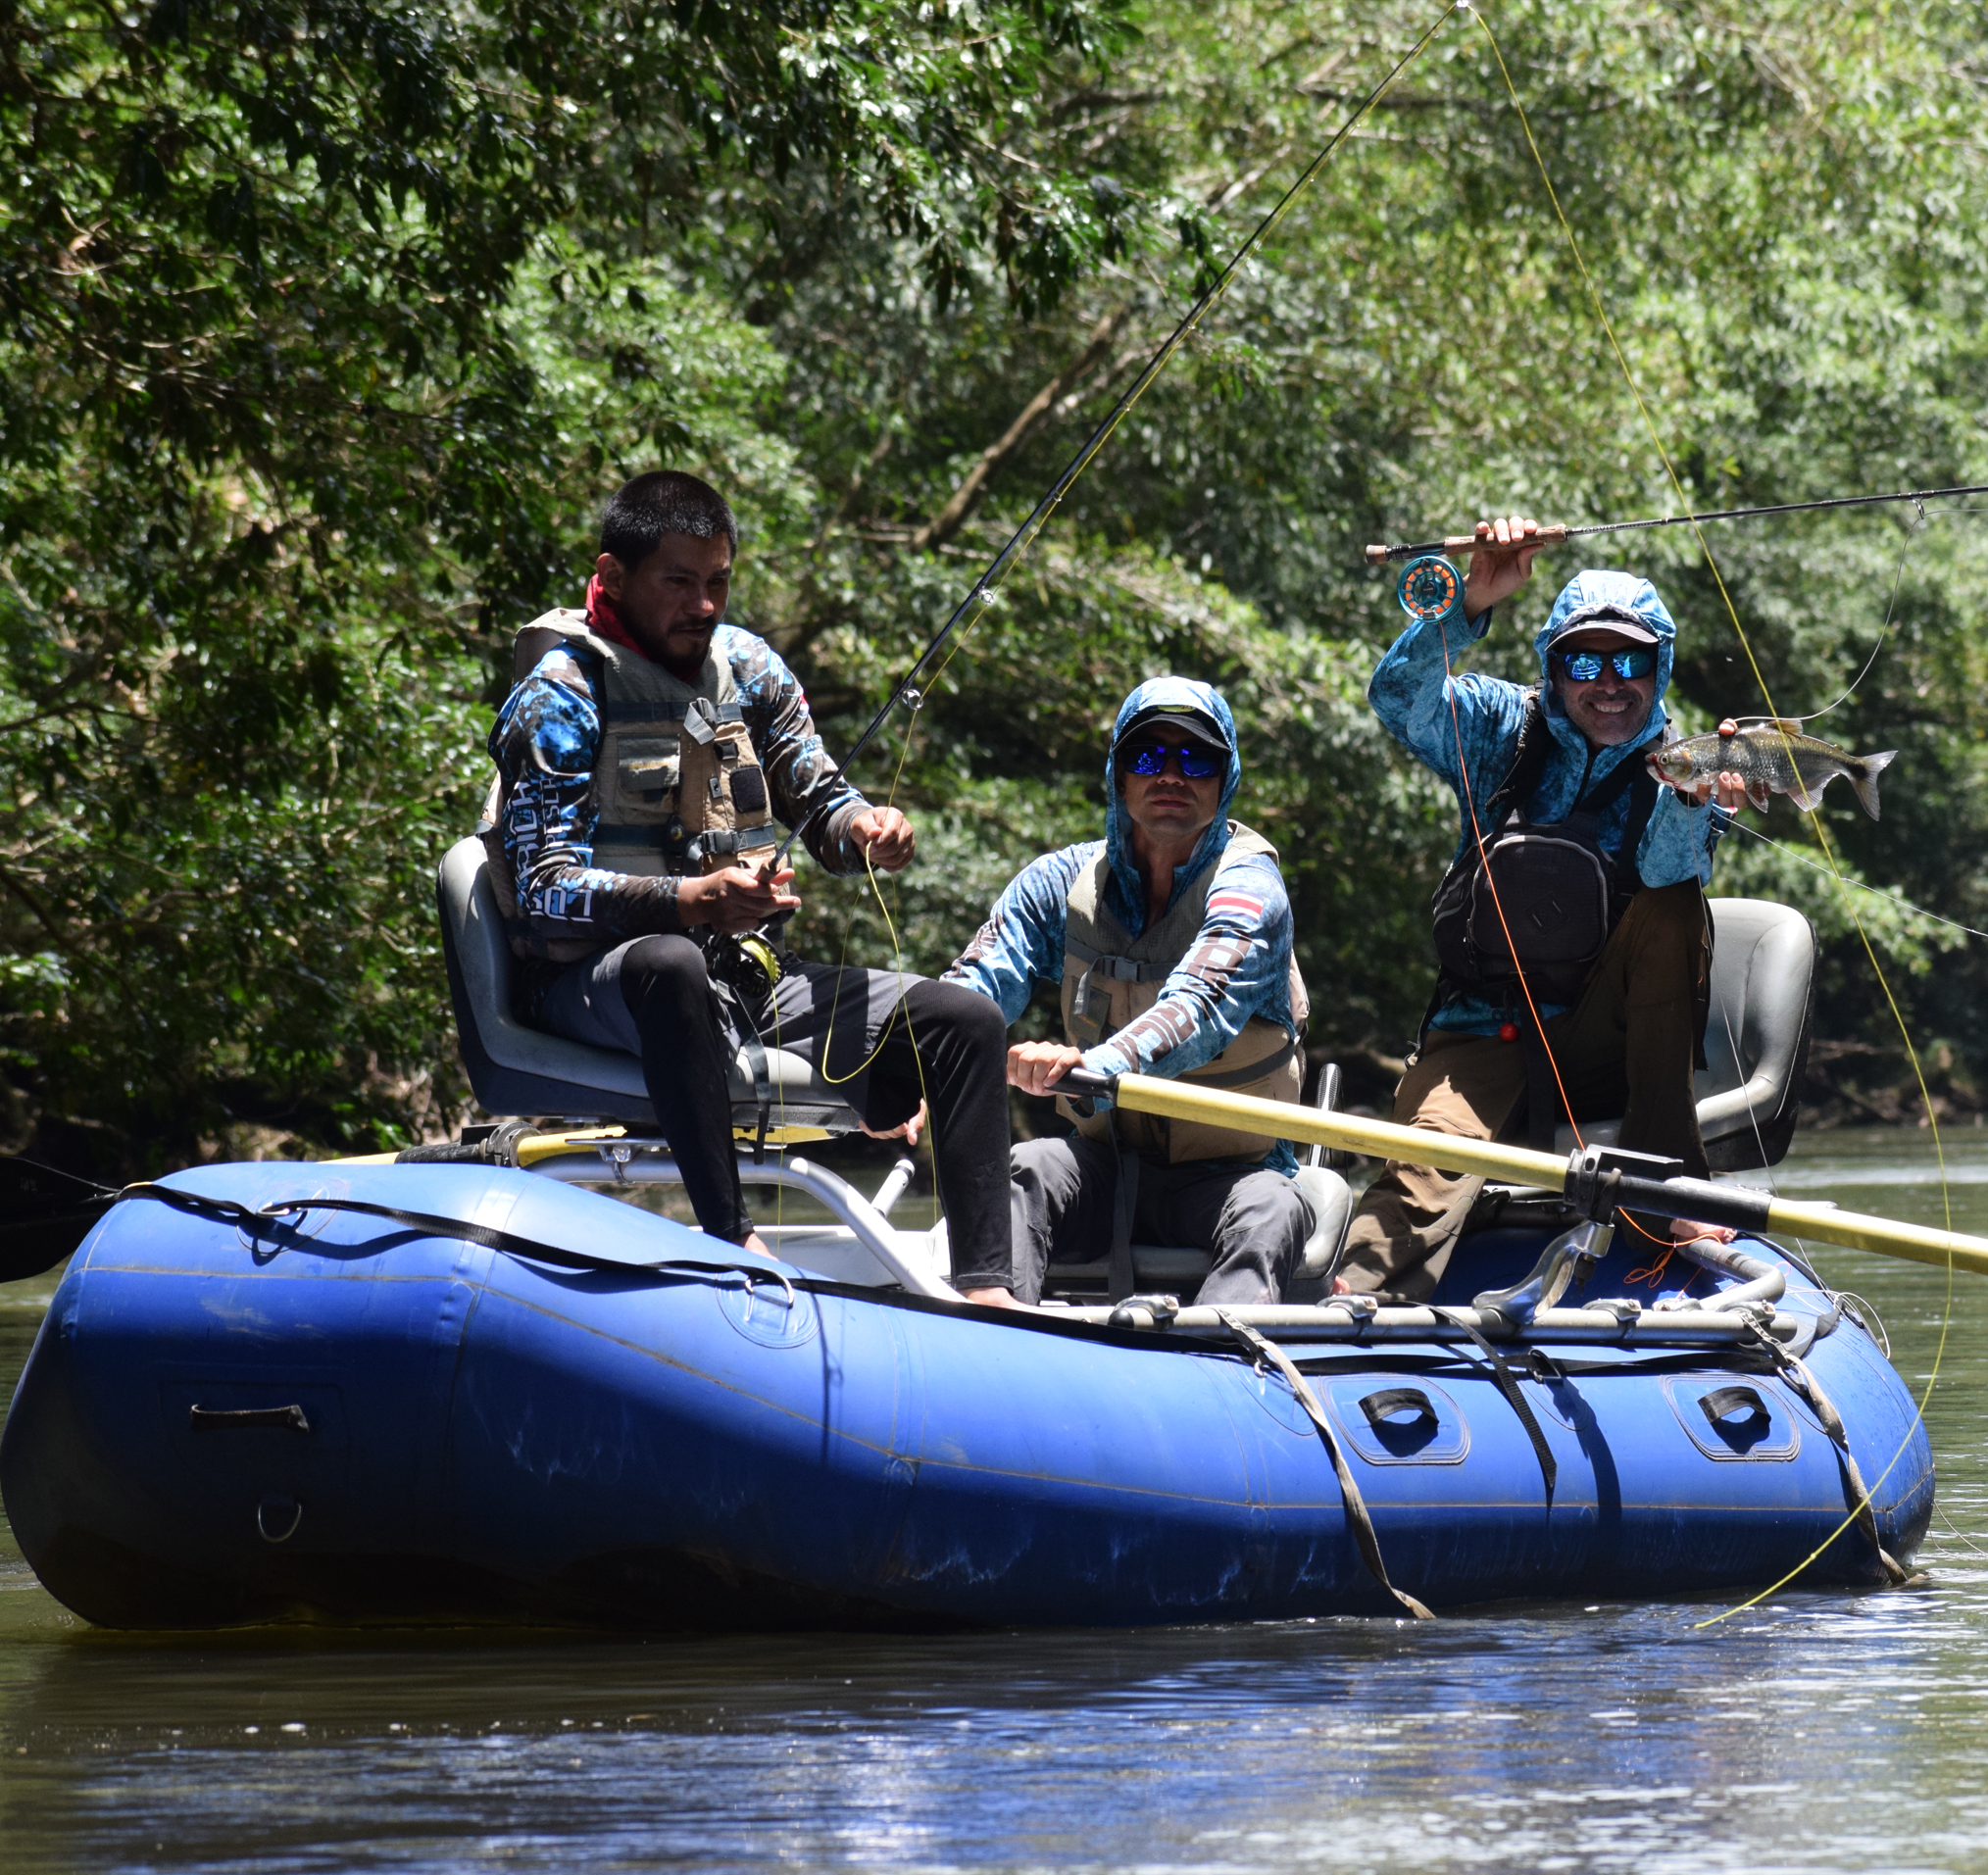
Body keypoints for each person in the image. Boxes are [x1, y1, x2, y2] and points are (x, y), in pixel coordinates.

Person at [483, 469, 1019, 1304]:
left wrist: (866, 831)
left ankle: (989, 1290)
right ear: (615, 577)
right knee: (669, 962)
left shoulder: (749, 668)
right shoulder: (560, 694)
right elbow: (544, 885)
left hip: (745, 976)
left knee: (965, 1021)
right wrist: (688, 902)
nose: (704, 605)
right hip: (596, 983)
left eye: (719, 582)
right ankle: (732, 1237)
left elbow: (821, 799)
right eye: (680, 582)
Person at [1336, 517, 1745, 1299]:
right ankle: (1345, 1310)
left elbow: (1666, 875)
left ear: (1658, 669)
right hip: (1481, 1032)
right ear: (1553, 669)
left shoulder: (1694, 762)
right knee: (1419, 1181)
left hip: (1608, 1048)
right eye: (1584, 661)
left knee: (1673, 910)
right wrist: (1468, 604)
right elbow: (1396, 697)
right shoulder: (1499, 727)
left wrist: (1691, 804)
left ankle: (1671, 1191)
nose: (1609, 681)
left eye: (1630, 661)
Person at [947, 677, 1315, 1307]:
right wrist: (915, 1066)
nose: (1171, 775)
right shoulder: (1058, 883)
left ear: (1224, 781)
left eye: (1196, 759)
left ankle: (1215, 1372)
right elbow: (971, 992)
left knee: (1272, 1209)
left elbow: (1198, 1006)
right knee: (1028, 1165)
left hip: (1233, 1176)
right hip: (1104, 1166)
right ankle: (997, 1334)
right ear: (1119, 776)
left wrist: (1092, 1067)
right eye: (1148, 758)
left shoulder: (1253, 887)